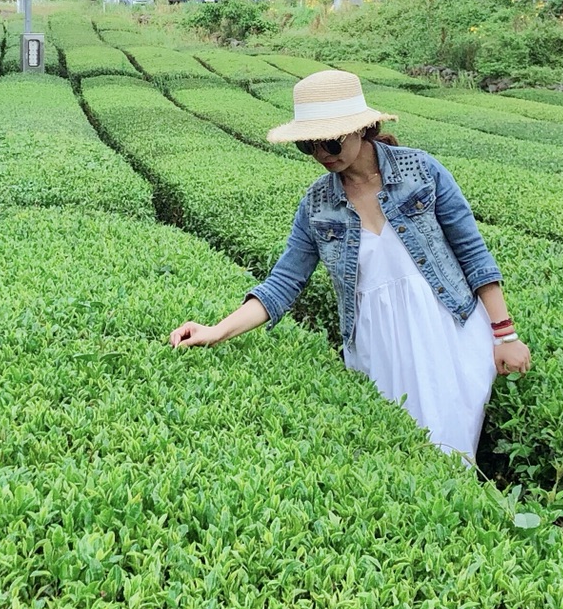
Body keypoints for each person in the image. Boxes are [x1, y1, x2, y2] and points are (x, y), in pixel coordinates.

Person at [169, 68, 531, 459]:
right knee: (403, 459)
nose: (322, 155)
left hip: (445, 328)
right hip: (377, 343)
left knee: (455, 455)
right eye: (308, 146)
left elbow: (473, 253)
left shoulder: (421, 171)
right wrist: (216, 331)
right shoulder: (317, 205)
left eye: (329, 142)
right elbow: (283, 284)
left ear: (362, 128)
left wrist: (505, 336)